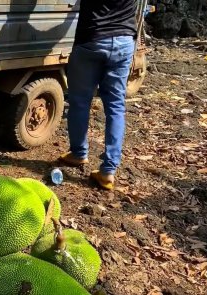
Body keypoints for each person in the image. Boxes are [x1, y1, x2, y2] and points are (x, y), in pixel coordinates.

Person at [59, 0, 137, 190]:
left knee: (79, 102)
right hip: (124, 41)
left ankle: (78, 153)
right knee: (116, 107)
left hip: (92, 40)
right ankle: (108, 171)